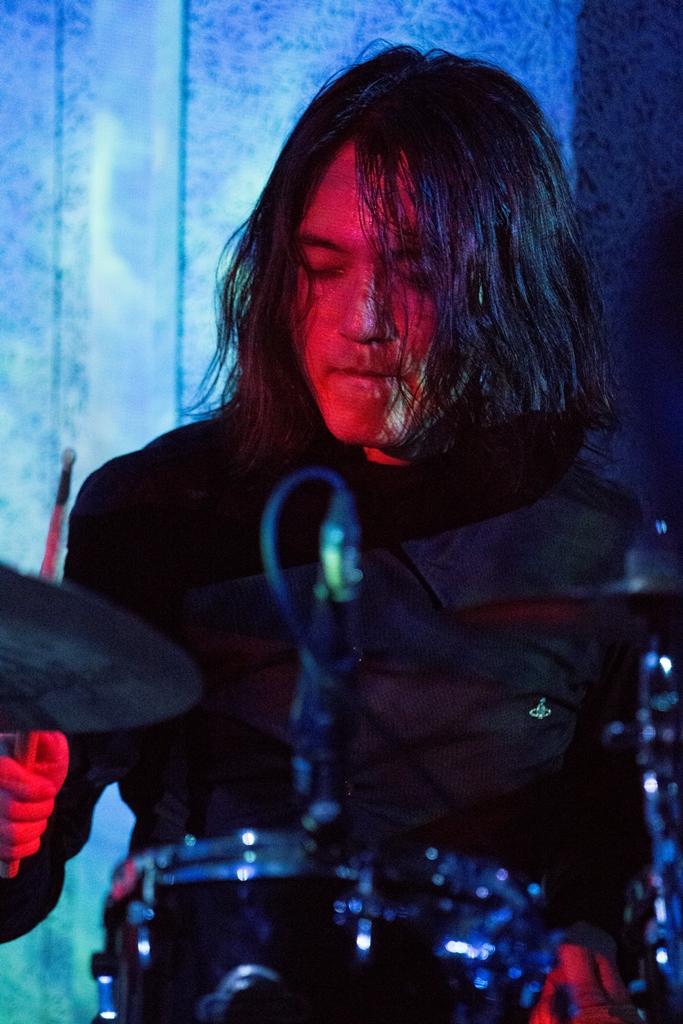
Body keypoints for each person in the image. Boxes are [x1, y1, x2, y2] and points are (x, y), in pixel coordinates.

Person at [0, 46, 648, 1022]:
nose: (361, 320)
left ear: (507, 280)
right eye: (321, 267)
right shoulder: (154, 513)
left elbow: (615, 843)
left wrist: (589, 937)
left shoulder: (596, 546)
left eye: (415, 270)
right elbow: (20, 884)